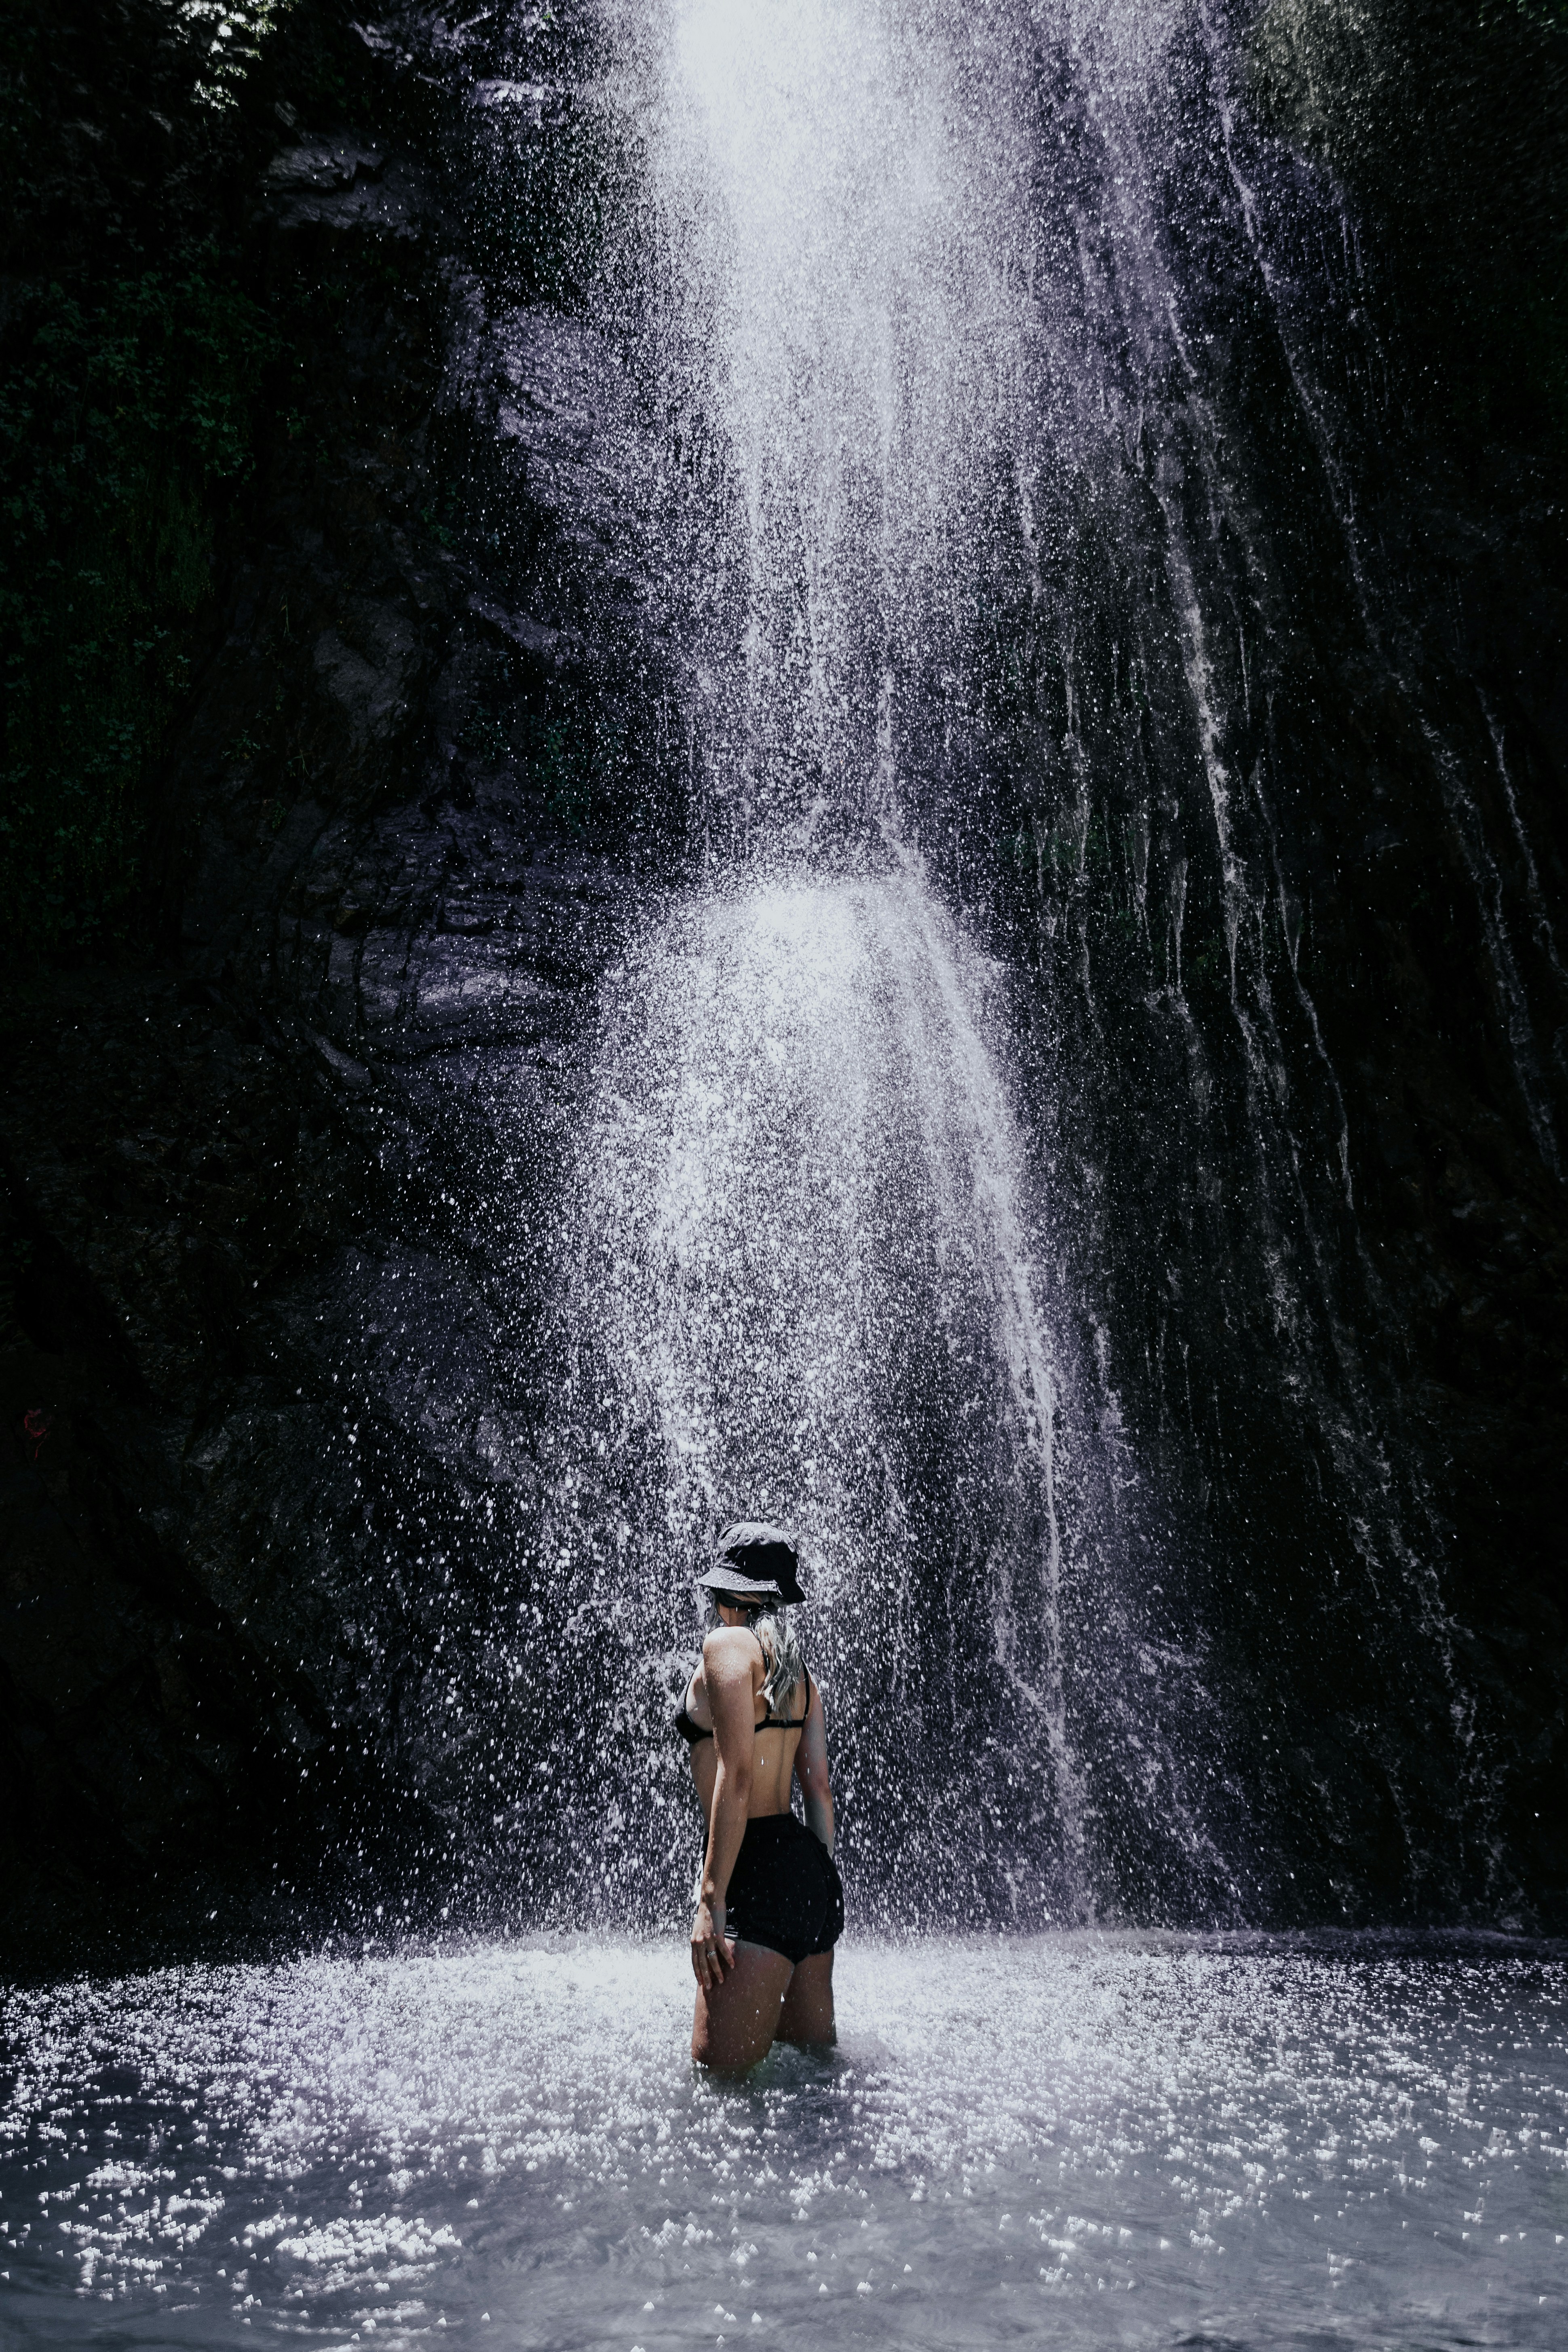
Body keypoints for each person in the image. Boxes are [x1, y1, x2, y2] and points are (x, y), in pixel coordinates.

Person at [673, 1520, 843, 2072]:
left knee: (718, 2083)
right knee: (812, 2071)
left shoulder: (728, 1645)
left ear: (730, 1592)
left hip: (754, 1868)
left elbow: (737, 1772)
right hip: (808, 1872)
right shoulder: (799, 1673)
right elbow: (817, 1788)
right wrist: (824, 1886)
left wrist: (711, 1899)